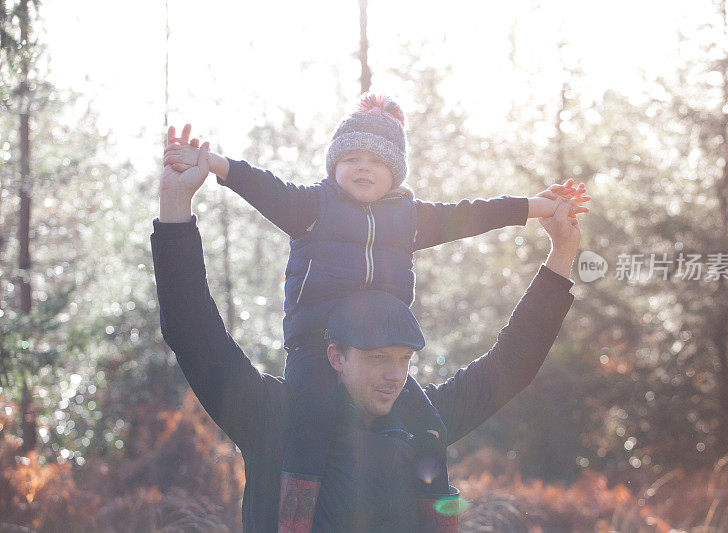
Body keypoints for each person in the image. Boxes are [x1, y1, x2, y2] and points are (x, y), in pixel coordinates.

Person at [162, 94, 590, 528]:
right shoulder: (274, 420)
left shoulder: (424, 421)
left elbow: (514, 362)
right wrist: (176, 206)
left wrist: (561, 253)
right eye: (376, 357)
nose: (395, 375)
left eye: (403, 357)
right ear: (336, 356)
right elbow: (192, 329)